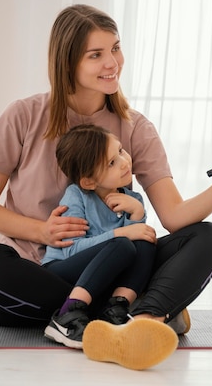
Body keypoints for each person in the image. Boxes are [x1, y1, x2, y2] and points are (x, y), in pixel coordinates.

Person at [0, 4, 212, 370]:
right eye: (96, 55)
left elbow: (174, 217)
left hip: (120, 265)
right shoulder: (24, 116)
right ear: (68, 62)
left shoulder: (136, 128)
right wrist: (42, 231)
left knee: (209, 237)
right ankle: (130, 310)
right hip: (42, 271)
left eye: (115, 48)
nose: (113, 63)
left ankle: (138, 321)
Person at [42, 123, 157, 348]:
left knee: (145, 240)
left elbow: (136, 253)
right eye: (112, 163)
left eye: (121, 151)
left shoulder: (132, 200)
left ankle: (117, 308)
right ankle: (66, 314)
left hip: (102, 275)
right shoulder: (77, 196)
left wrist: (137, 213)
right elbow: (72, 249)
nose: (124, 162)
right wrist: (122, 232)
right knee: (123, 244)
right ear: (89, 181)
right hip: (62, 268)